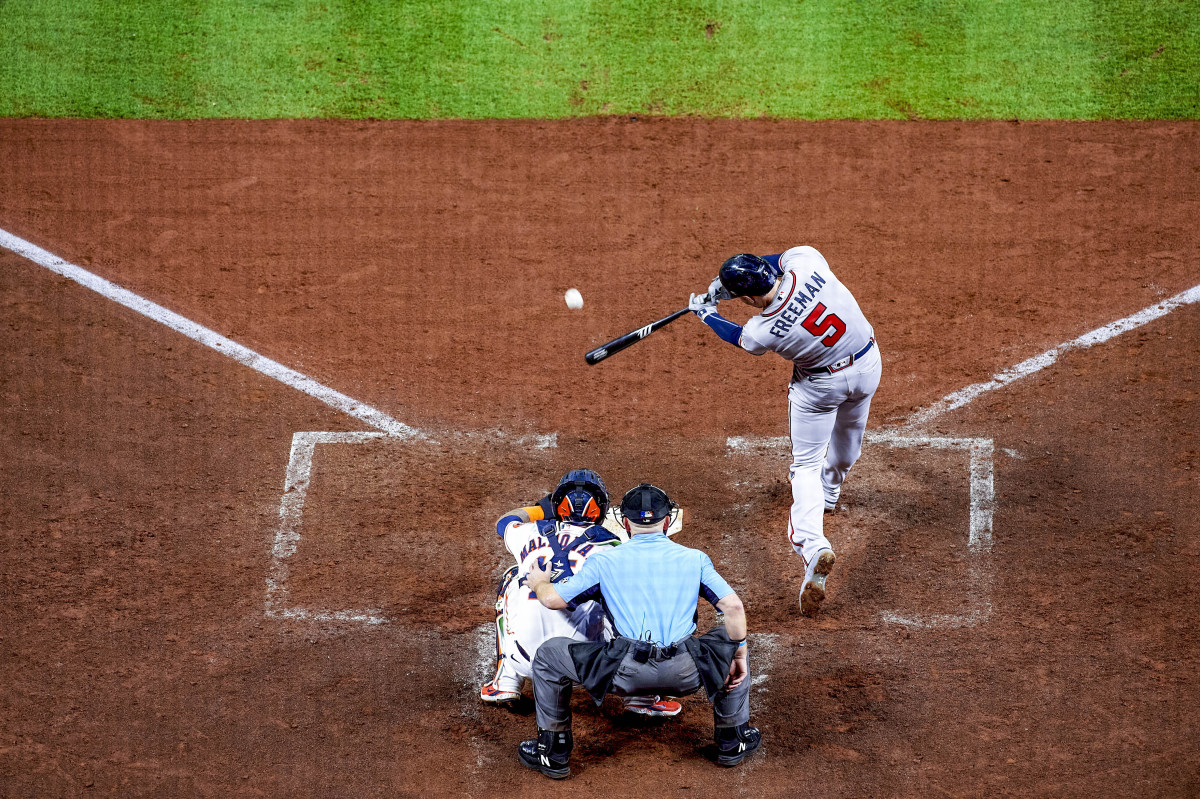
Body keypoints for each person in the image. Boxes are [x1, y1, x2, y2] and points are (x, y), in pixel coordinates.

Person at [517, 483, 760, 779]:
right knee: (729, 639)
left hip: (621, 674)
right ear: (667, 521)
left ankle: (553, 751)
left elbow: (553, 600)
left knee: (549, 655)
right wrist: (739, 656)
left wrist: (540, 581)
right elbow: (734, 609)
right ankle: (732, 740)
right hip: (686, 673)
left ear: (625, 524)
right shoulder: (694, 558)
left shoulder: (605, 560)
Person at [688, 246, 881, 616]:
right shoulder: (807, 262)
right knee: (847, 446)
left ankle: (813, 545)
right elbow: (777, 260)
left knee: (806, 465)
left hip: (821, 388)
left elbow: (739, 337)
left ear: (744, 297)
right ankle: (831, 495)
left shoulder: (763, 330)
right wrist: (729, 283)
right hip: (867, 365)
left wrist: (707, 313)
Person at [480, 470, 682, 718]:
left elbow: (505, 521)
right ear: (601, 509)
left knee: (513, 577)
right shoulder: (616, 545)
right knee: (633, 593)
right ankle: (641, 694)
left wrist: (540, 511)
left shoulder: (529, 534)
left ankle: (506, 681)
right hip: (587, 668)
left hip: (528, 663)